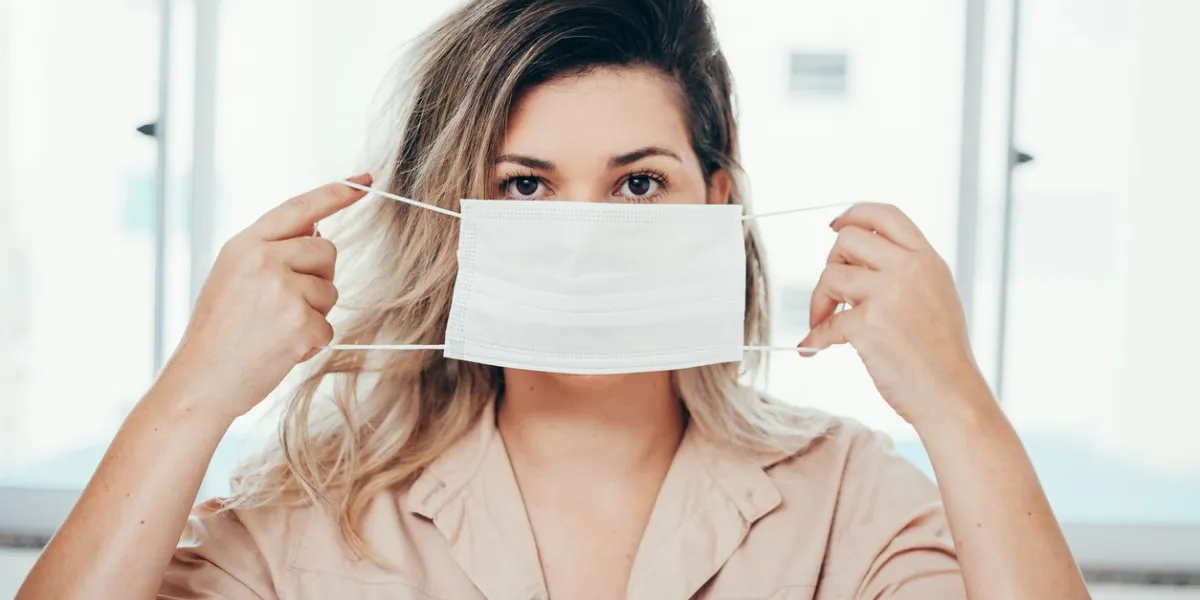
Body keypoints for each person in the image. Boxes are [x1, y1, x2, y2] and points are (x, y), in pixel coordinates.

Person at [18, 0, 1091, 598]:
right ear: (455, 210)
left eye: (638, 183)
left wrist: (957, 407)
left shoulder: (844, 495)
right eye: (524, 186)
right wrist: (193, 392)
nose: (586, 234)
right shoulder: (317, 503)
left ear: (716, 198)